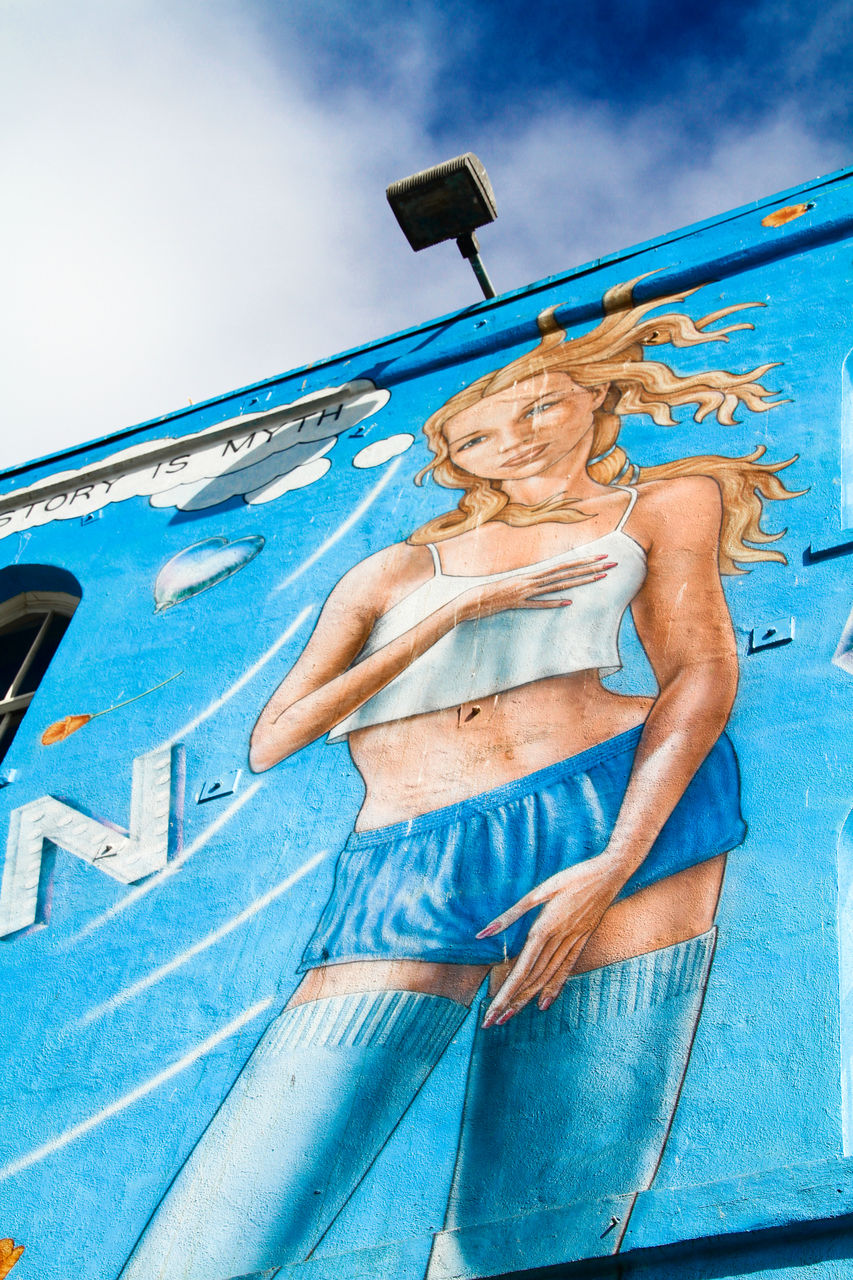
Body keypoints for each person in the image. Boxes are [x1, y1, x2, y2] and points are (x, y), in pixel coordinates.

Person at [119, 279, 801, 1280]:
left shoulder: (665, 502)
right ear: (452, 459)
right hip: (413, 845)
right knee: (227, 1225)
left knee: (548, 1214)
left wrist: (615, 858)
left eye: (541, 406)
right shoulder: (389, 573)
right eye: (482, 432)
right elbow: (273, 739)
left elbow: (699, 672)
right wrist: (453, 613)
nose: (517, 437)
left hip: (617, 802)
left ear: (597, 404)